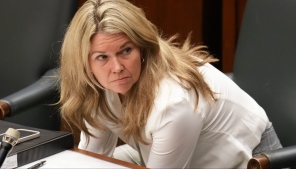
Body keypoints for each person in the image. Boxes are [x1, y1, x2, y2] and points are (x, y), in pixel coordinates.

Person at [57, 0, 282, 168]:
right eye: (102, 57)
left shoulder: (173, 101)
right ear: (84, 62)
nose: (116, 67)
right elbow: (95, 160)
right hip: (168, 155)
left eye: (126, 51)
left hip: (248, 159)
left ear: (143, 48)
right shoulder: (97, 86)